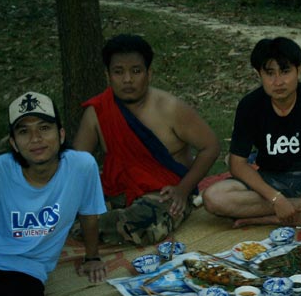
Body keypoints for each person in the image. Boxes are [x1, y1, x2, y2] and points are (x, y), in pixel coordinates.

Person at [73, 34, 220, 245]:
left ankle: (91, 226)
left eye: (136, 71)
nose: (127, 80)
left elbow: (211, 146)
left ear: (149, 73)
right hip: (118, 190)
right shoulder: (98, 112)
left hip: (164, 193)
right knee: (64, 211)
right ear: (108, 76)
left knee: (141, 225)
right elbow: (77, 164)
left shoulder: (170, 108)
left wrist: (183, 189)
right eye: (118, 72)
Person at [202, 37, 301, 226]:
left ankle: (271, 218)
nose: (278, 82)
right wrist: (277, 199)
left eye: (285, 71)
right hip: (270, 180)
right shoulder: (250, 105)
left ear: (298, 70)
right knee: (214, 197)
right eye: (270, 73)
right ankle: (292, 210)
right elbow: (238, 163)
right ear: (259, 74)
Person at [0, 92, 107, 296]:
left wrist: (92, 256)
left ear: (61, 134)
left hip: (27, 272)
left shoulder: (81, 167)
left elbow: (89, 215)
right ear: (13, 143)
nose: (36, 139)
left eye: (44, 128)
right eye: (24, 132)